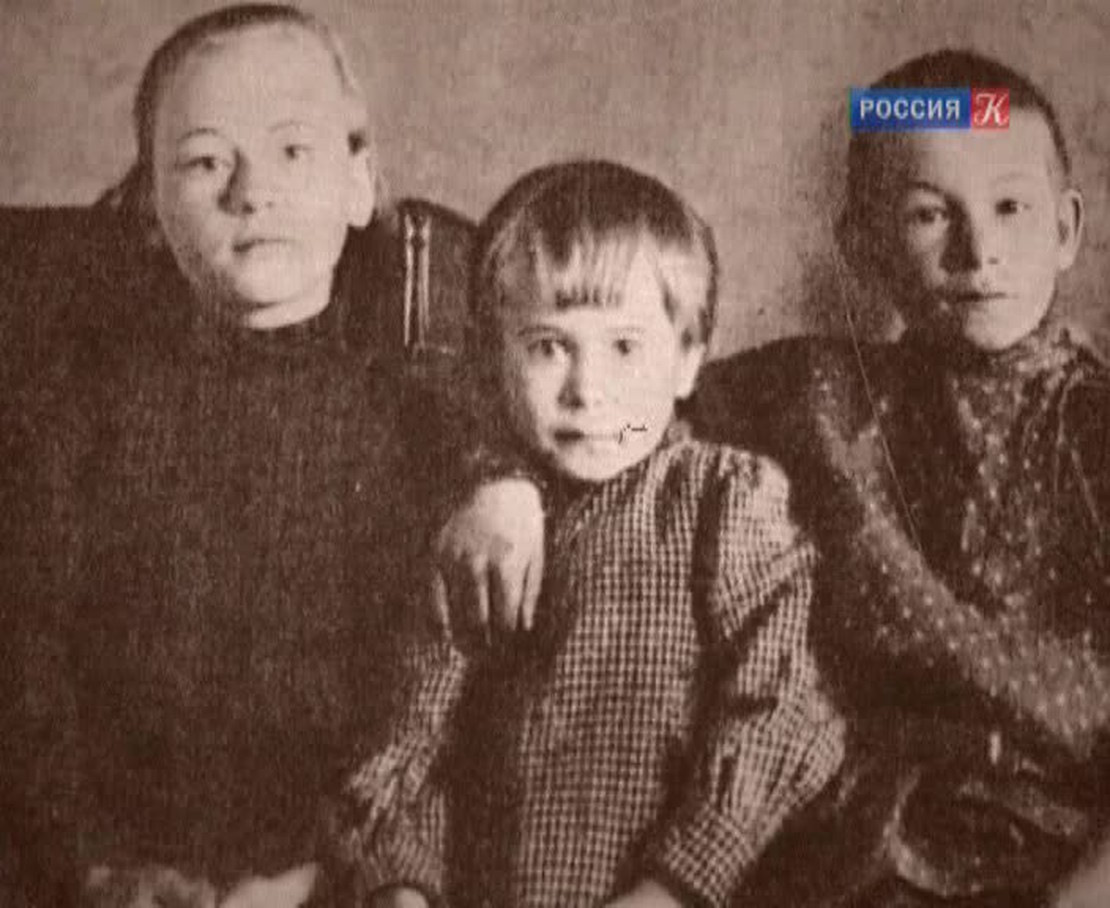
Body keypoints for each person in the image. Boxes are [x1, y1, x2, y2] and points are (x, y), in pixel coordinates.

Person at [436, 52, 1110, 908]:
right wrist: (500, 481)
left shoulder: (1093, 429)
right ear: (862, 246)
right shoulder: (815, 393)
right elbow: (610, 411)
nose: (979, 253)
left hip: (1055, 842)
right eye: (930, 214)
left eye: (1011, 207)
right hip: (848, 848)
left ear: (1066, 229)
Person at [0, 6, 535, 907]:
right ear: (146, 207)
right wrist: (89, 862)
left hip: (345, 863)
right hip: (121, 863)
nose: (252, 192)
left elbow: (442, 702)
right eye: (206, 161)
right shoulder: (82, 411)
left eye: (292, 151)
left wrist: (501, 482)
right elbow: (25, 655)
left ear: (360, 184)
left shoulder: (421, 404)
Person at [327, 160, 845, 908]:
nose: (586, 390)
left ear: (688, 359)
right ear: (494, 359)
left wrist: (675, 887)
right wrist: (401, 884)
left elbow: (786, 708)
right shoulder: (486, 529)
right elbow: (412, 741)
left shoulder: (725, 499)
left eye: (625, 347)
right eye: (548, 346)